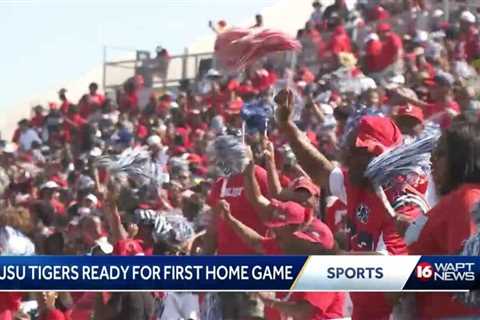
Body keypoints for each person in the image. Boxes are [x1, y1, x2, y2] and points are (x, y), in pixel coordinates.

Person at [274, 89, 429, 319]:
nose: (353, 157)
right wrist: (287, 125)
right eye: (353, 149)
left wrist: (327, 258)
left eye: (363, 151)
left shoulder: (404, 203)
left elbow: (387, 270)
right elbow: (320, 170)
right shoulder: (359, 183)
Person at [213, 156, 343, 319]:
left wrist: (269, 302)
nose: (301, 198)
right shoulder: (285, 245)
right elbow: (256, 241)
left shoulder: (320, 259)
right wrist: (231, 220)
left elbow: (304, 311)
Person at [408, 122, 480, 319]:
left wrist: (401, 276)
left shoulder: (467, 200)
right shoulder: (457, 199)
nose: (432, 161)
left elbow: (467, 273)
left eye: (440, 154)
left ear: (460, 158)